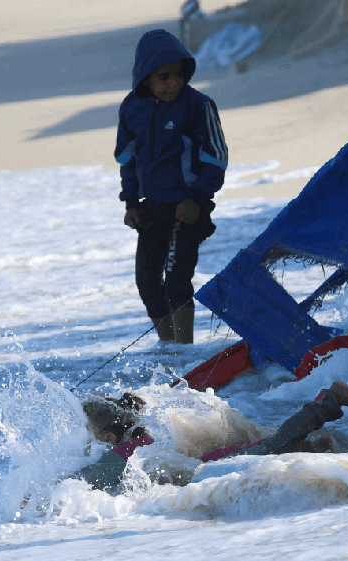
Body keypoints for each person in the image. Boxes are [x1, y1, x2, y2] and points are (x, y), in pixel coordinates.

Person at [115, 29, 228, 344]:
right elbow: (128, 159)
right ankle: (169, 350)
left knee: (177, 282)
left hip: (188, 207)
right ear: (146, 76)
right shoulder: (131, 108)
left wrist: (197, 197)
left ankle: (186, 350)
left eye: (178, 76)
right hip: (152, 206)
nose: (173, 83)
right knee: (147, 283)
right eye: (163, 77)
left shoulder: (198, 105)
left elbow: (216, 158)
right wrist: (131, 203)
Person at [76, 382, 348, 491]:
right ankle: (314, 447)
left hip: (209, 467)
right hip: (207, 461)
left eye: (89, 433)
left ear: (105, 433)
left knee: (270, 448)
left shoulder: (126, 451)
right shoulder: (142, 437)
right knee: (271, 452)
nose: (87, 440)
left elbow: (88, 480)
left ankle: (329, 401)